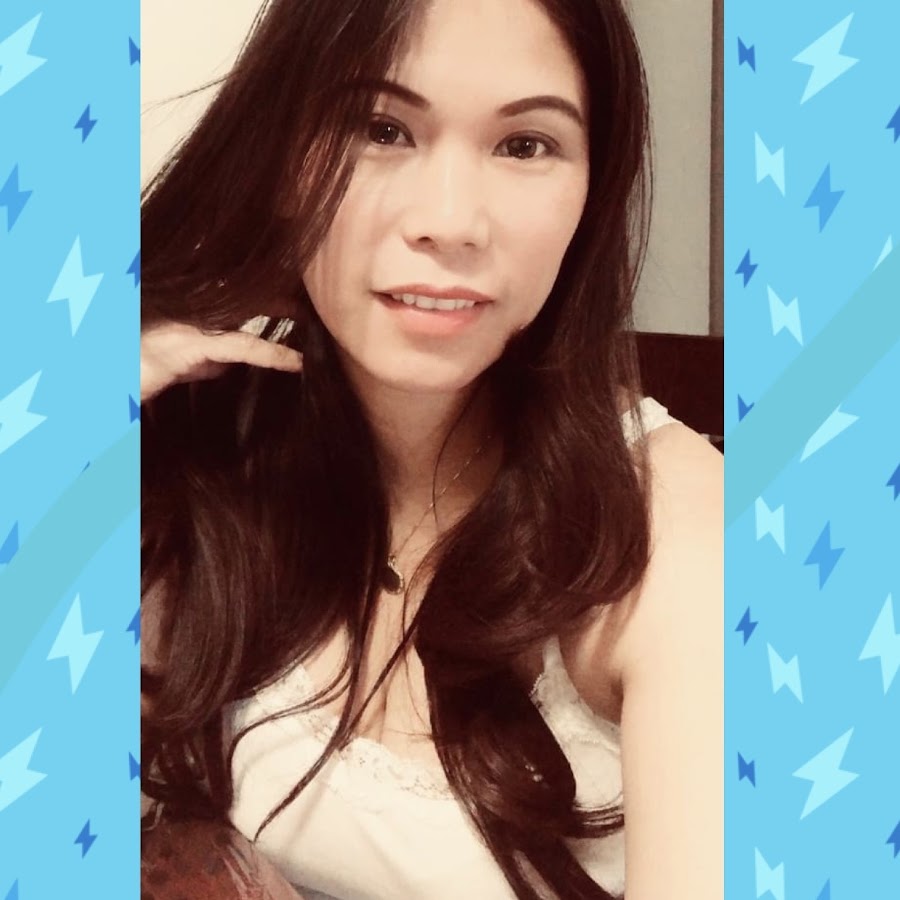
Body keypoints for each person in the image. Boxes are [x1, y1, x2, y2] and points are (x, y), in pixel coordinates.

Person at [140, 0, 723, 898]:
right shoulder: (224, 442)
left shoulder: (681, 532)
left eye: (525, 144)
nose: (450, 223)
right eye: (381, 128)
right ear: (279, 153)